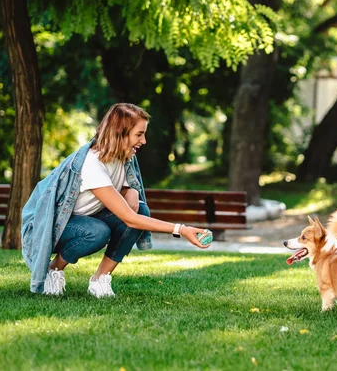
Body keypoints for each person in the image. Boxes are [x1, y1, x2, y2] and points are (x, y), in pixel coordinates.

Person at [21, 103, 209, 298]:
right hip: (51, 228)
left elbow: (129, 193)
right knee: (97, 231)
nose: (144, 141)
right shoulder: (91, 164)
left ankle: (100, 279)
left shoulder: (124, 157)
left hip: (85, 219)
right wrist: (181, 229)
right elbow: (129, 218)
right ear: (120, 134)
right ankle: (54, 269)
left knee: (141, 210)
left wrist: (131, 190)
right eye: (139, 134)